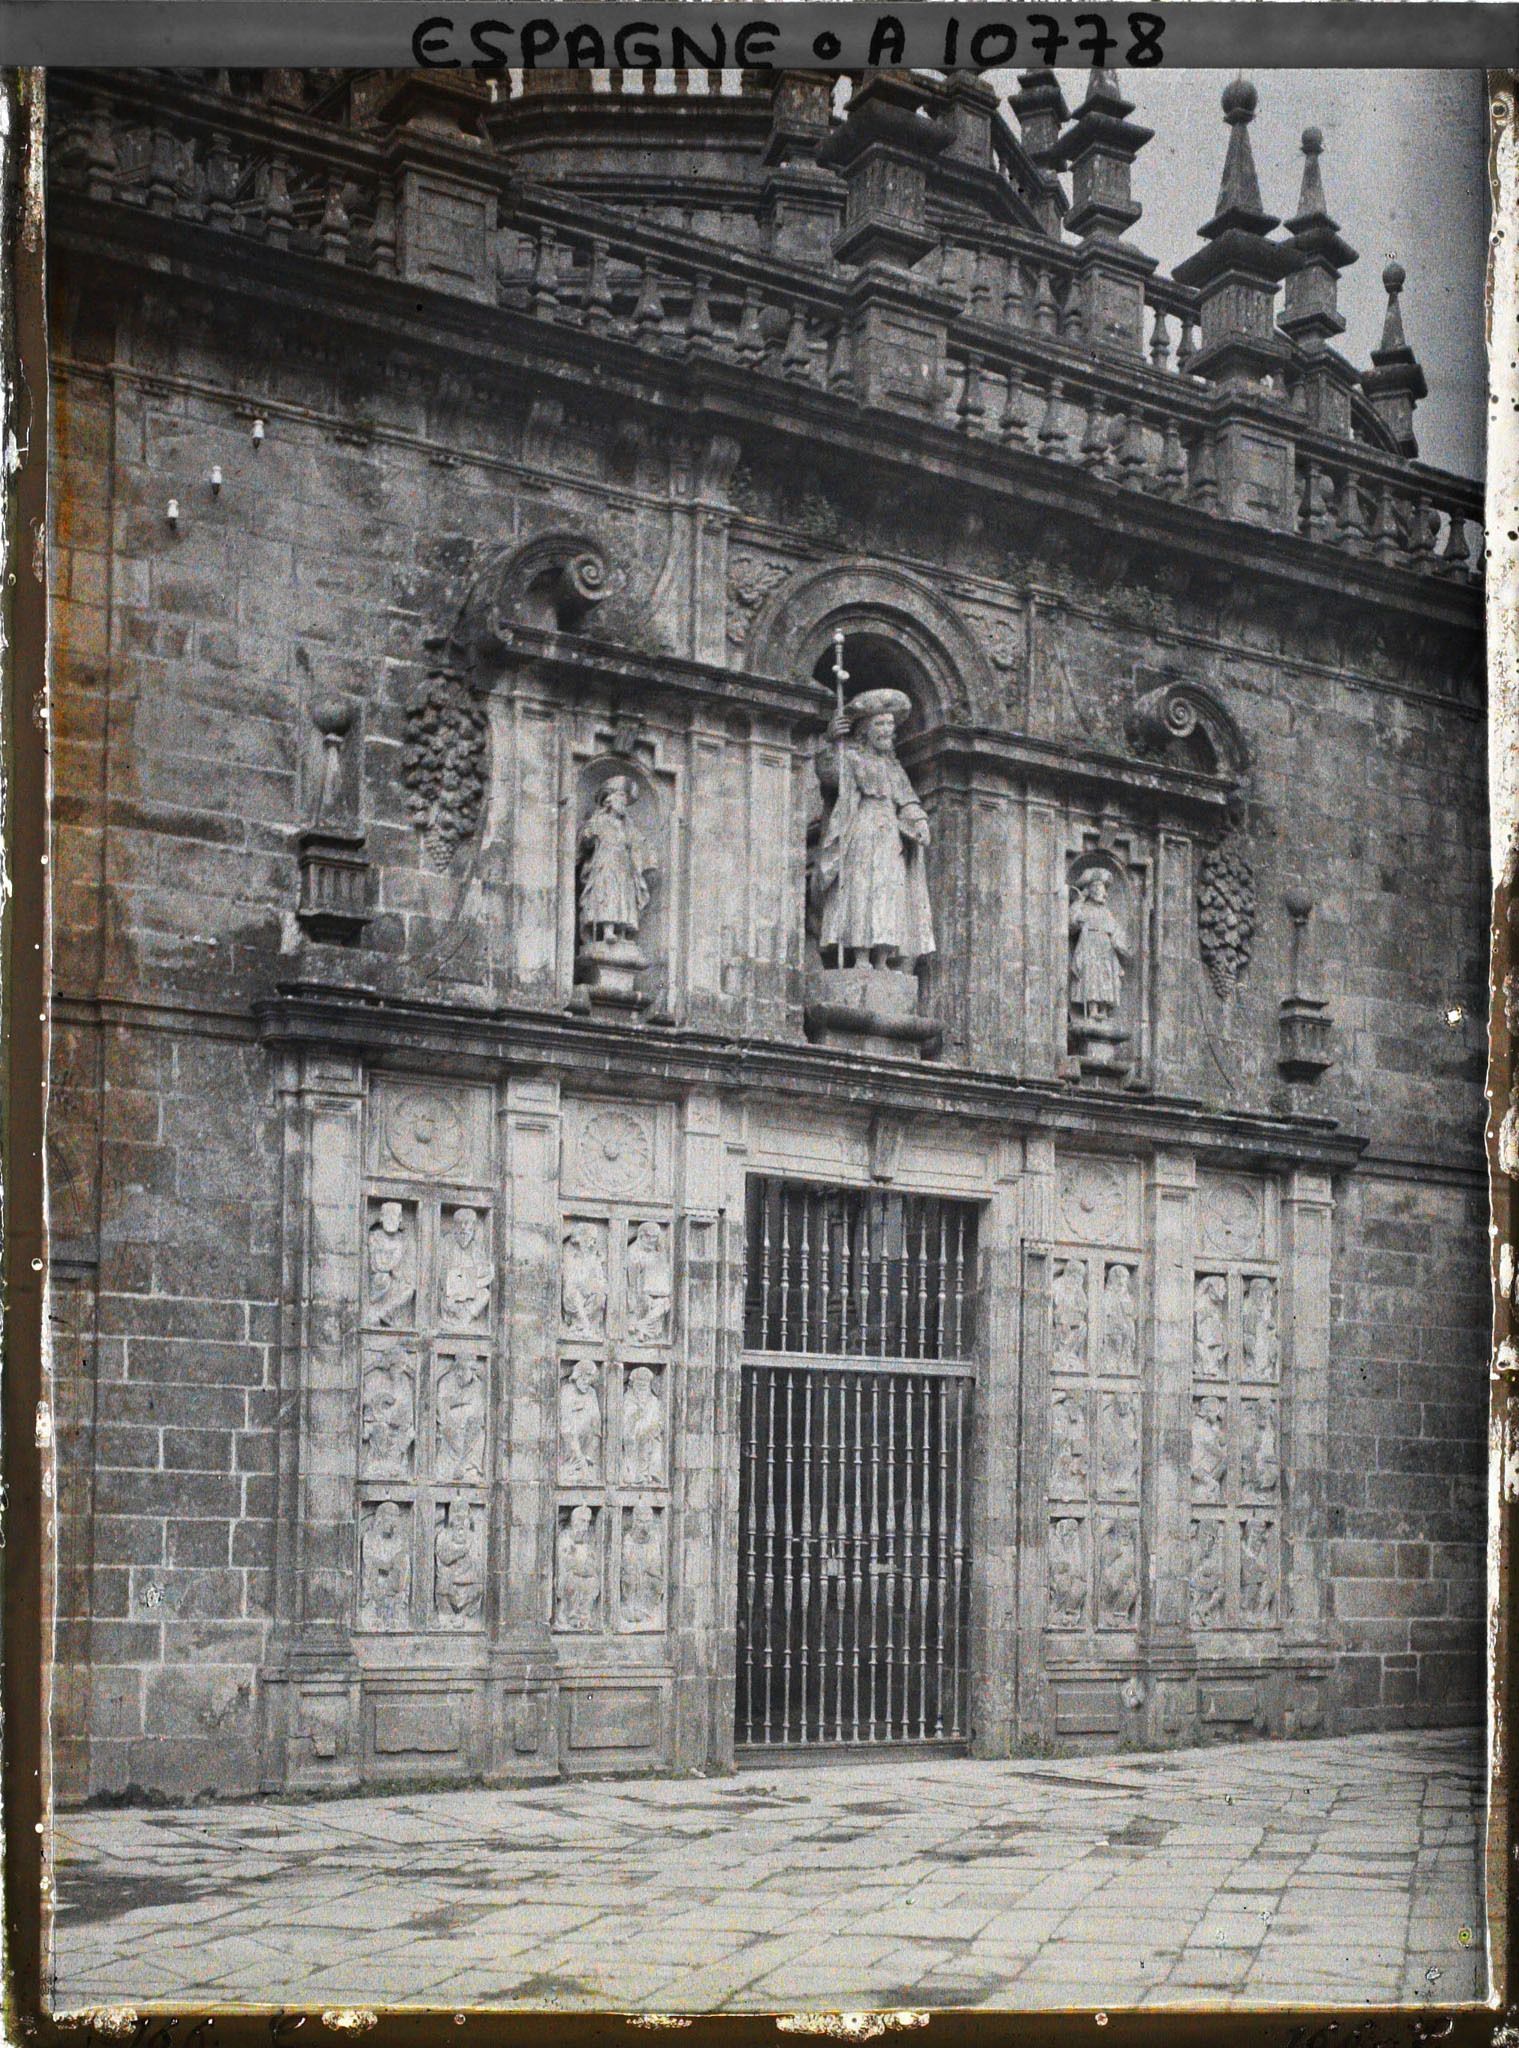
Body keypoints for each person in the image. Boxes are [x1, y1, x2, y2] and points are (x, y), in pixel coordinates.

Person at [814, 688, 935, 971]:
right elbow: (829, 775)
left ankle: (882, 957)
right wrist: (831, 741)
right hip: (861, 830)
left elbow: (907, 800)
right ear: (866, 729)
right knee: (861, 889)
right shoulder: (852, 757)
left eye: (890, 725)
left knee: (887, 892)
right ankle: (861, 957)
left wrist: (919, 822)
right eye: (880, 724)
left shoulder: (893, 767)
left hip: (890, 837)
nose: (886, 731)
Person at [577, 775, 653, 945]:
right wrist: (589, 836)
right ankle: (608, 930)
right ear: (610, 801)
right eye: (621, 798)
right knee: (607, 894)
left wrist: (645, 856)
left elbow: (639, 844)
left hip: (624, 866)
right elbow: (585, 842)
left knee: (625, 897)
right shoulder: (599, 820)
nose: (624, 804)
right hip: (605, 863)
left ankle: (623, 932)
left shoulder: (628, 826)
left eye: (625, 800)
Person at [1069, 866, 1127, 1022]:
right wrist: (1080, 900)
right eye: (1099, 889)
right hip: (1090, 948)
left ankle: (1104, 1009)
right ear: (1091, 890)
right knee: (1092, 976)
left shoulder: (1106, 912)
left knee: (1106, 977)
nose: (1103, 893)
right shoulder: (1084, 908)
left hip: (1106, 950)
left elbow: (1115, 930)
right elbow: (1071, 924)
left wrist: (1120, 944)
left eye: (1103, 889)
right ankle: (1093, 1009)